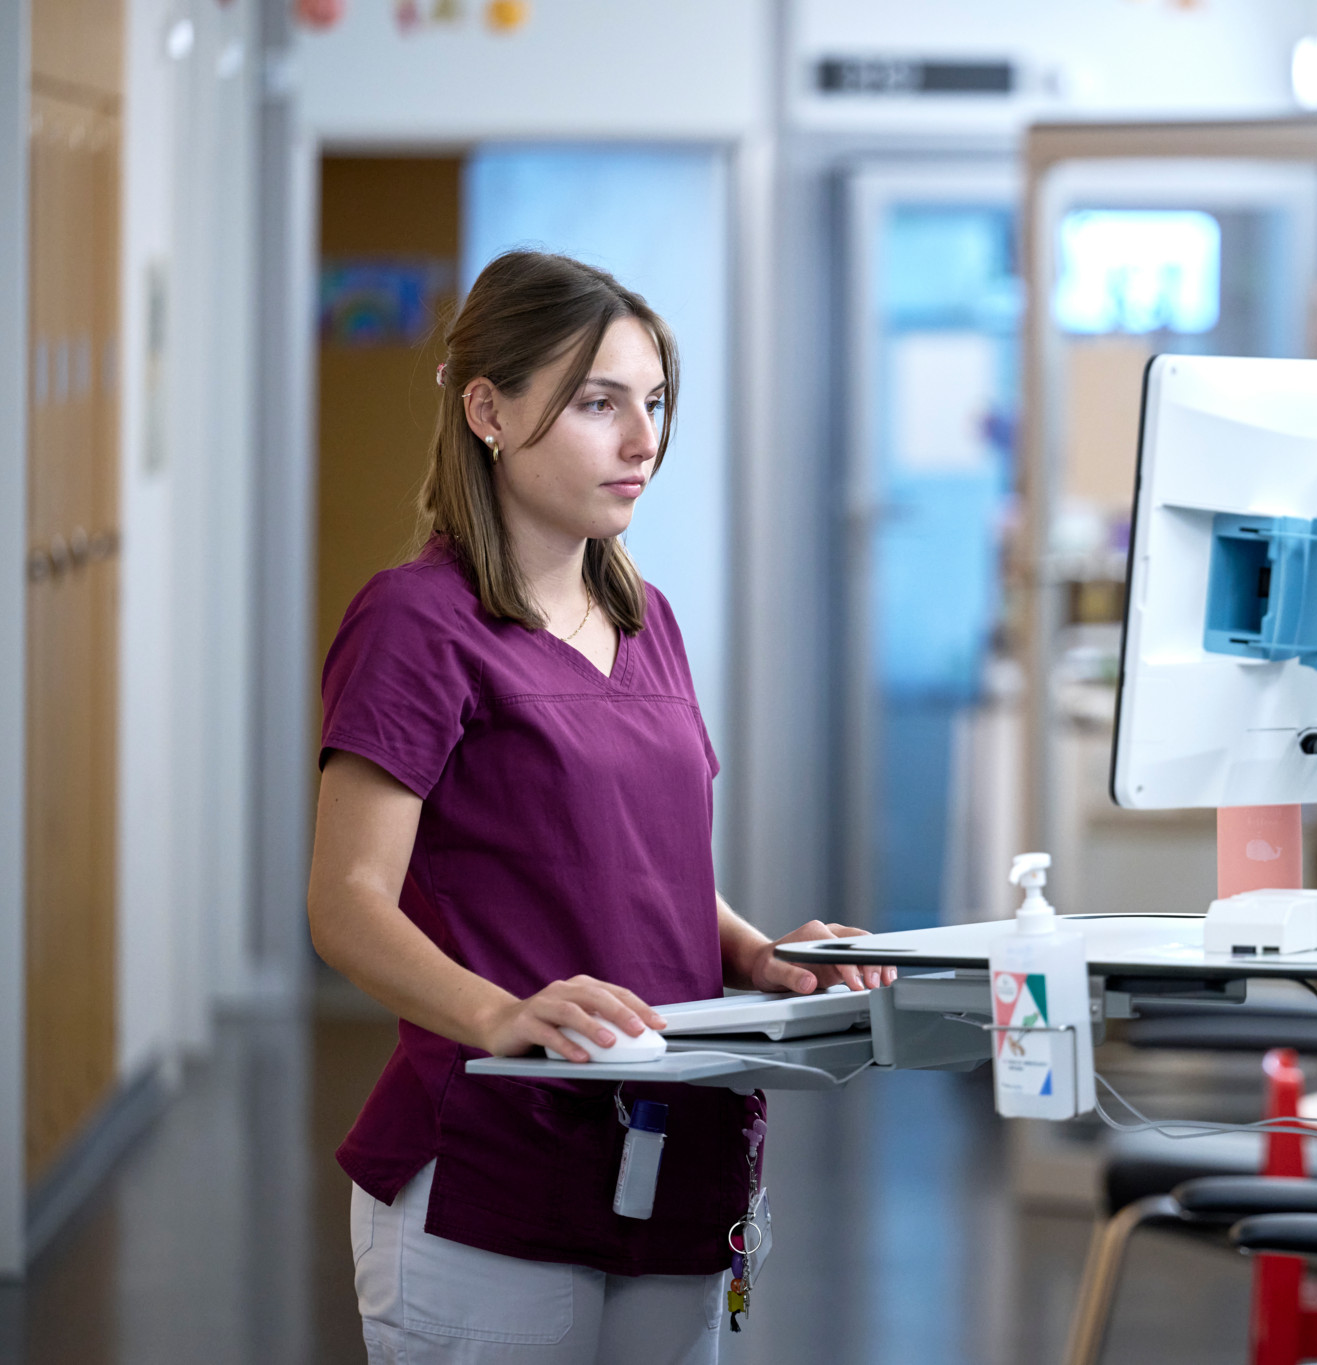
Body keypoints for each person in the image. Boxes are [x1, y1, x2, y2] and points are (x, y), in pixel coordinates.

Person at [307, 250, 885, 1364]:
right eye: (597, 403)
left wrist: (756, 954)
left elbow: (637, 856)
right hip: (492, 1162)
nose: (642, 441)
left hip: (671, 1150)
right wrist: (494, 1015)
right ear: (485, 409)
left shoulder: (643, 615)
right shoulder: (416, 623)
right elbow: (346, 900)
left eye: (655, 403)